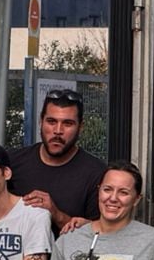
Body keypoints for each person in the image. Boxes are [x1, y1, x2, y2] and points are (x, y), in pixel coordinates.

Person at [6, 87, 108, 235]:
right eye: (51, 121)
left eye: (67, 123)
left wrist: (56, 214)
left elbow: (100, 237)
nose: (58, 130)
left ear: (81, 127)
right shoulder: (12, 162)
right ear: (41, 122)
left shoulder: (96, 173)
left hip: (67, 257)